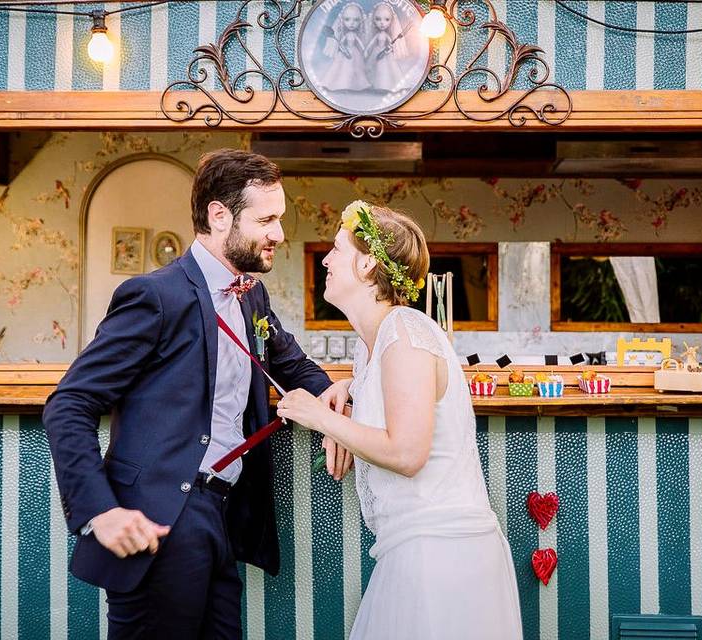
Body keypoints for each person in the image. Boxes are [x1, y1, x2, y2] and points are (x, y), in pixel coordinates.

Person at [43, 149, 352, 638]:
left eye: (280, 218)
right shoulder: (154, 296)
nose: (279, 233)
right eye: (266, 219)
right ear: (218, 215)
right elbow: (69, 404)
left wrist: (338, 403)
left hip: (222, 515)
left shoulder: (251, 293)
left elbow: (291, 363)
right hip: (160, 521)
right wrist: (99, 511)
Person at [276, 201, 523, 640]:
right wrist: (345, 391)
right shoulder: (372, 345)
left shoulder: (405, 332)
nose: (327, 260)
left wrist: (320, 418)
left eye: (335, 249)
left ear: (368, 263)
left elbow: (408, 453)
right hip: (410, 551)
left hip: (442, 559)